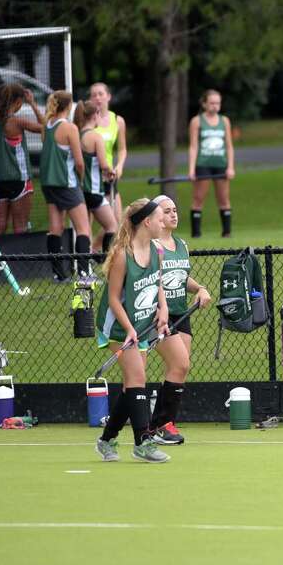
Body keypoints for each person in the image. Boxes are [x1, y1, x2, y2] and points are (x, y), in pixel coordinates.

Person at [94, 197, 170, 464]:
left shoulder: (157, 250)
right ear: (147, 222)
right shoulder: (122, 256)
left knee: (132, 385)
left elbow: (158, 282)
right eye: (160, 219)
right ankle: (143, 442)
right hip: (117, 327)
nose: (164, 223)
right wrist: (128, 329)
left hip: (142, 324)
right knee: (137, 378)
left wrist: (163, 309)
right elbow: (114, 299)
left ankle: (106, 440)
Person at [149, 195, 211, 445]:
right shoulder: (151, 246)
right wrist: (157, 310)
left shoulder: (181, 244)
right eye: (167, 211)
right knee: (180, 364)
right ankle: (161, 424)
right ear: (156, 217)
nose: (174, 214)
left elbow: (182, 277)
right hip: (158, 314)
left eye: (175, 209)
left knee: (179, 369)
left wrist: (200, 289)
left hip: (180, 311)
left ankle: (159, 424)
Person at [39, 91, 91, 281]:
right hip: (66, 184)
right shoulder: (69, 128)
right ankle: (85, 274)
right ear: (69, 106)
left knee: (56, 228)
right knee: (83, 229)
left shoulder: (48, 124)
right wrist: (82, 178)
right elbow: (79, 162)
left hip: (48, 184)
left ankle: (59, 274)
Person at [0, 83, 42, 235]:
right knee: (20, 226)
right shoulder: (17, 121)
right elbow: (45, 127)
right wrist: (33, 103)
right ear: (18, 102)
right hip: (19, 180)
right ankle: (20, 259)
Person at [73, 100, 118, 262]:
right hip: (93, 190)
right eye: (99, 113)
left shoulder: (76, 134)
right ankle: (108, 262)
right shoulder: (95, 137)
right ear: (94, 115)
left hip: (79, 190)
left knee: (84, 230)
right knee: (112, 225)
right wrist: (112, 171)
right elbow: (104, 165)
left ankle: (84, 266)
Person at [187, 89, 235, 238]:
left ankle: (227, 233)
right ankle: (196, 234)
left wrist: (231, 167)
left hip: (220, 164)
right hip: (203, 164)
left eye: (218, 103)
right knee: (198, 199)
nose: (215, 106)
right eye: (212, 103)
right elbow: (193, 146)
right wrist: (191, 169)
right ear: (204, 104)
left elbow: (229, 146)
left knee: (224, 199)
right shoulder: (197, 121)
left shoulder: (224, 121)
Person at [88, 82, 127, 247]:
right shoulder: (88, 120)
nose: (97, 98)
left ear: (108, 96)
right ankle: (85, 256)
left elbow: (123, 149)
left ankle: (95, 249)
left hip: (109, 177)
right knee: (86, 222)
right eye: (94, 95)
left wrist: (119, 167)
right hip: (91, 176)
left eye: (101, 94)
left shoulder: (117, 120)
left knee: (116, 220)